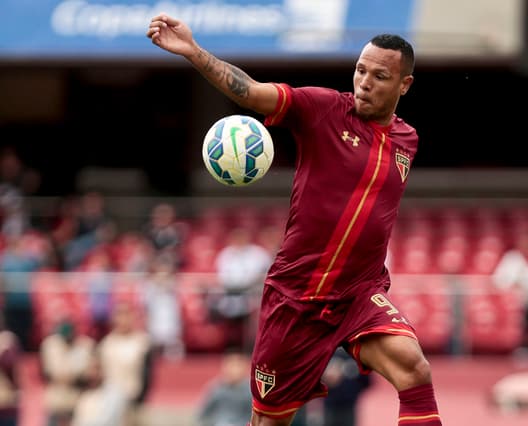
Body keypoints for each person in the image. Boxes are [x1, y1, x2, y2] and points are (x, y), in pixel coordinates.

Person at [148, 15, 442, 426]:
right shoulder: (322, 109)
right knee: (270, 422)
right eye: (360, 70)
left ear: (403, 85)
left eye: (379, 75)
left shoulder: (406, 140)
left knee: (414, 370)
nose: (365, 82)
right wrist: (193, 52)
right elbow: (250, 92)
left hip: (357, 295)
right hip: (295, 300)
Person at [40, 319, 96, 426]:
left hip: (77, 403)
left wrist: (72, 377)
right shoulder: (50, 345)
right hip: (56, 403)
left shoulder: (84, 345)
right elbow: (48, 375)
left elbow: (87, 376)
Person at [195, 350, 253, 426]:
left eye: (238, 365)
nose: (235, 370)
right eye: (232, 365)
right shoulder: (216, 389)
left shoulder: (251, 391)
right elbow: (202, 414)